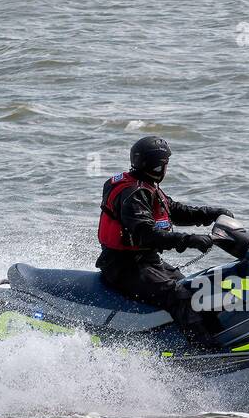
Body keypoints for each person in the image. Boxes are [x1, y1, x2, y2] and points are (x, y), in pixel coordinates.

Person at [96, 136, 233, 347]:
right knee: (178, 295)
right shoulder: (134, 194)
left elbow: (174, 210)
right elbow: (147, 235)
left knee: (194, 288)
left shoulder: (144, 185)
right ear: (157, 166)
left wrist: (212, 214)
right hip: (124, 266)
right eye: (165, 163)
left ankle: (223, 337)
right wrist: (190, 240)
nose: (167, 168)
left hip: (145, 260)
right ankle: (204, 352)